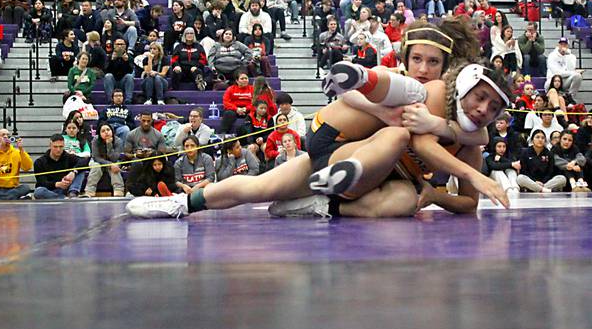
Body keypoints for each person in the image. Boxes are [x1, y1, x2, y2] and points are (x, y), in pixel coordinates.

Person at [127, 19, 509, 219]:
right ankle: (180, 203)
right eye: (417, 60)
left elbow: (467, 166)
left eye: (492, 109)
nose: (483, 110)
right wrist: (379, 108)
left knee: (404, 202)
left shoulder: (463, 122)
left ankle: (318, 205)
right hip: (342, 145)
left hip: (371, 175)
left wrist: (437, 190)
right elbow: (425, 138)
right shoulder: (426, 91)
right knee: (393, 132)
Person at [33, 134, 86, 199]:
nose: (58, 149)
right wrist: (57, 184)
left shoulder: (68, 157)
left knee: (81, 169)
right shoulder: (40, 162)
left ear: (64, 146)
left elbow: (85, 161)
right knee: (39, 192)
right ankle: (63, 198)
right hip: (50, 191)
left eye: (61, 147)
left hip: (66, 188)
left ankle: (73, 193)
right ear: (50, 146)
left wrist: (73, 172)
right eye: (55, 147)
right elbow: (42, 182)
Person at [84, 122, 125, 197]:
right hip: (98, 161)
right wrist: (109, 164)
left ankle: (118, 190)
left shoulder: (118, 141)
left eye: (108, 130)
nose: (106, 132)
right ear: (99, 134)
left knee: (115, 167)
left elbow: (114, 158)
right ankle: (89, 191)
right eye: (103, 131)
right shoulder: (95, 140)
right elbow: (96, 157)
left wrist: (109, 145)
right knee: (96, 166)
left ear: (112, 131)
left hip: (113, 161)